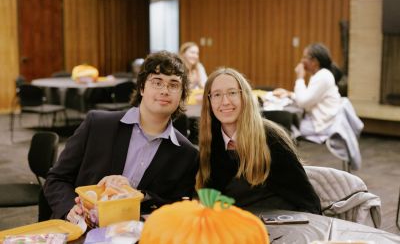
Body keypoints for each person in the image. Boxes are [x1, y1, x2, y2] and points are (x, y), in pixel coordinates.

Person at [44, 51, 199, 221]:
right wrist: (69, 209)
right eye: (157, 82)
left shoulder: (186, 154)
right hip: (82, 228)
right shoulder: (97, 125)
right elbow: (57, 178)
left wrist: (139, 195)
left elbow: (176, 207)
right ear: (141, 88)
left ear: (182, 95)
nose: (165, 90)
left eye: (174, 85)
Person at [196, 68, 321, 214]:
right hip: (236, 226)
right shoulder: (211, 141)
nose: (225, 101)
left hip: (279, 225)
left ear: (245, 97)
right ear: (209, 101)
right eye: (217, 94)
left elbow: (309, 203)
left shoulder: (271, 139)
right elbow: (211, 200)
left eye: (232, 93)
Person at [273, 43, 342, 142]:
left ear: (314, 61)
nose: (302, 60)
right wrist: (290, 94)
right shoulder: (321, 75)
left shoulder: (323, 76)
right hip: (323, 121)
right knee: (284, 123)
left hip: (322, 125)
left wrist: (300, 77)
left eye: (305, 57)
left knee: (281, 126)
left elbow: (303, 102)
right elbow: (309, 97)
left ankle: (289, 155)